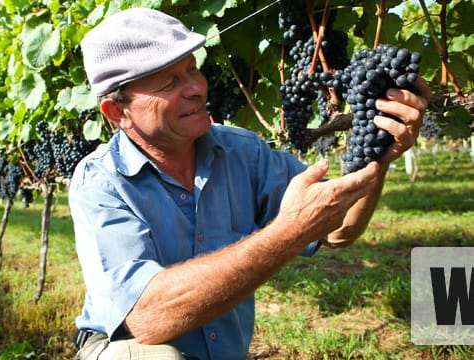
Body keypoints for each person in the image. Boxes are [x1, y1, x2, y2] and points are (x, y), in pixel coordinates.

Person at [69, 7, 431, 360]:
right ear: (118, 113)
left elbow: (338, 231)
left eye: (193, 70)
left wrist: (379, 154)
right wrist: (290, 230)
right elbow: (148, 319)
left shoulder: (243, 151)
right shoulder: (100, 181)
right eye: (169, 82)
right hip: (125, 347)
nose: (196, 88)